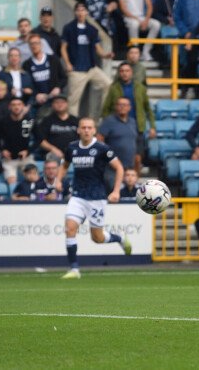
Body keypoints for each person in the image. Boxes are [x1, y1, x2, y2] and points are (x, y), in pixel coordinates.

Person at [57, 118, 130, 279]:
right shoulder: (72, 147)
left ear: (94, 130)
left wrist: (116, 191)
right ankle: (74, 269)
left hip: (97, 198)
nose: (86, 130)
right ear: (78, 130)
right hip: (77, 196)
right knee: (69, 229)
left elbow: (119, 168)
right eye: (83, 127)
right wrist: (58, 180)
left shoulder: (102, 148)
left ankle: (119, 238)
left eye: (89, 127)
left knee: (97, 238)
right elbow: (64, 164)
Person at [60, 3, 113, 118]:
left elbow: (98, 49)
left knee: (108, 84)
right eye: (78, 10)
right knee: (73, 101)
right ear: (75, 12)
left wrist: (106, 55)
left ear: (87, 12)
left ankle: (101, 115)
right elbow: (63, 48)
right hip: (76, 70)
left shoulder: (92, 29)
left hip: (91, 68)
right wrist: (68, 64)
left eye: (83, 10)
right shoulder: (69, 28)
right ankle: (73, 125)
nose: (80, 13)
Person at [101, 62, 155, 170]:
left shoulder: (140, 88)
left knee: (137, 159)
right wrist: (110, 123)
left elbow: (148, 109)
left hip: (136, 127)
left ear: (132, 73)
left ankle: (135, 183)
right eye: (122, 71)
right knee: (119, 160)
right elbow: (105, 109)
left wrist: (152, 127)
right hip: (118, 127)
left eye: (127, 71)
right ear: (119, 73)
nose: (124, 73)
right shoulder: (114, 88)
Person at [0, 97, 35, 185]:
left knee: (33, 180)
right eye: (13, 105)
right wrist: (2, 150)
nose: (16, 107)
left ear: (23, 106)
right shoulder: (2, 121)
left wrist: (28, 151)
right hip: (9, 159)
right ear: (9, 107)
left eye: (19, 104)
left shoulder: (29, 120)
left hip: (26, 157)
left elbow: (39, 138)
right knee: (12, 184)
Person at [98, 96, 139, 175]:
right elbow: (99, 140)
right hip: (112, 168)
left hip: (129, 167)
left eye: (125, 105)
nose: (122, 107)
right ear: (116, 107)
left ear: (129, 108)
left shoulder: (133, 122)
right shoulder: (108, 121)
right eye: (120, 104)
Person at [35, 95, 79, 162]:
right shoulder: (47, 121)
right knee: (52, 158)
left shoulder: (76, 120)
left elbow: (83, 137)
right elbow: (40, 140)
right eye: (57, 102)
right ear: (52, 105)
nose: (60, 104)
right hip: (53, 153)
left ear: (67, 104)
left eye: (62, 102)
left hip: (74, 152)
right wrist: (53, 149)